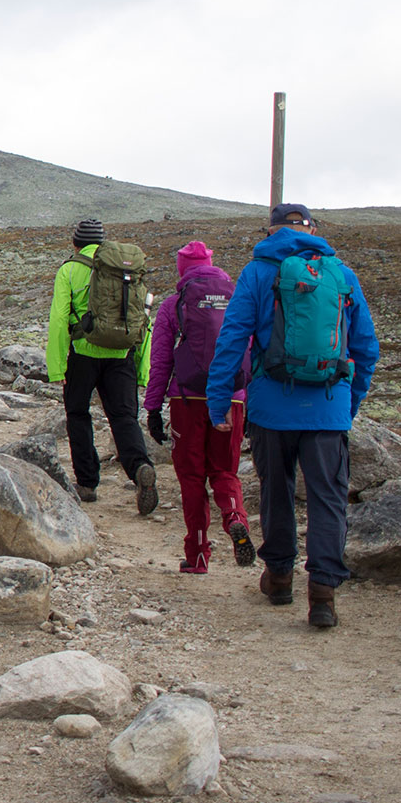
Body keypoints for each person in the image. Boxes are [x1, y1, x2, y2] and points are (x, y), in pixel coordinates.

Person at [206, 203, 379, 628]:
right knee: (328, 499)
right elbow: (366, 348)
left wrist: (218, 400)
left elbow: (233, 339)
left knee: (276, 491)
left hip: (271, 406)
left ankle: (280, 577)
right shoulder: (341, 274)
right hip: (327, 407)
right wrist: (347, 404)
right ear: (312, 230)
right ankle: (322, 593)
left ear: (271, 231)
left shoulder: (258, 272)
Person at [145, 241, 253, 573]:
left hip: (187, 400)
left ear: (181, 269)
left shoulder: (173, 306)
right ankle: (236, 518)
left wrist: (152, 407)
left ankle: (199, 555)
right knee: (225, 471)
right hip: (233, 399)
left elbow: (161, 361)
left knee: (191, 477)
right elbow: (253, 354)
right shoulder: (238, 301)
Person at [46, 218, 156, 510]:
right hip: (122, 356)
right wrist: (143, 370)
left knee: (78, 414)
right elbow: (143, 322)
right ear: (104, 242)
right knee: (124, 417)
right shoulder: (126, 270)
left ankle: (87, 482)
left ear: (75, 243)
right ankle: (139, 468)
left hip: (83, 354)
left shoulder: (69, 269)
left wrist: (56, 367)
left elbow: (58, 320)